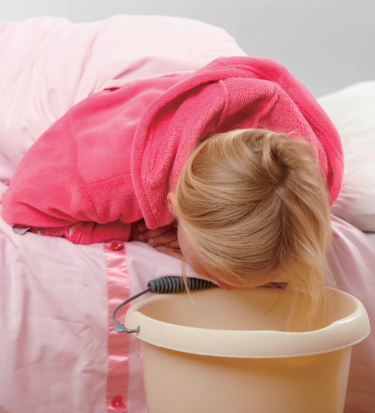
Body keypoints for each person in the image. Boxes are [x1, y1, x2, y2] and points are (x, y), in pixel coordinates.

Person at [130, 128, 332, 330]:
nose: (227, 288)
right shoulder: (128, 177)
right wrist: (141, 231)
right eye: (210, 273)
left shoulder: (312, 182)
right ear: (173, 206)